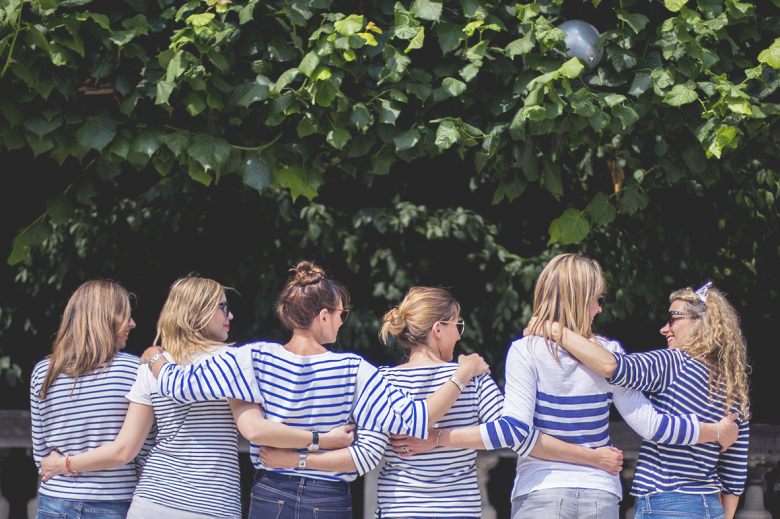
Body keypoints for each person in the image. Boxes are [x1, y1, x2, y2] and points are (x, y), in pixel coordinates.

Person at [398, 254, 738, 519]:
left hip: (540, 490)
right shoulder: (610, 352)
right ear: (580, 298)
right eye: (598, 299)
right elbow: (650, 425)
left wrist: (438, 438)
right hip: (600, 492)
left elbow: (514, 431)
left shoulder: (524, 350)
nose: (600, 308)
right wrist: (713, 431)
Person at [141, 261, 491, 519]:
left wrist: (155, 356)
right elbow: (417, 420)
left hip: (269, 491)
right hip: (330, 497)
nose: (343, 320)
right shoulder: (354, 370)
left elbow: (177, 385)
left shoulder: (251, 357)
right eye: (342, 313)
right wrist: (462, 375)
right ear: (323, 316)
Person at [258, 286, 625, 519]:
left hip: (400, 508)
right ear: (438, 329)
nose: (460, 333)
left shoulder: (381, 380)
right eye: (457, 326)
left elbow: (366, 456)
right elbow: (511, 432)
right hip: (460, 509)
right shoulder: (474, 374)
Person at [40, 275, 355, 519]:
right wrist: (321, 439)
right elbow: (256, 430)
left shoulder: (153, 363)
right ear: (199, 311)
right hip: (211, 503)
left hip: (152, 500)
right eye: (222, 307)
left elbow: (128, 447)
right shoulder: (234, 360)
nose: (229, 315)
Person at [539, 280, 750, 519]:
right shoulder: (734, 387)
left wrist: (555, 331)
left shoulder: (673, 363)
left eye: (673, 318)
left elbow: (611, 365)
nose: (664, 328)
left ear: (702, 323)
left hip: (666, 502)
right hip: (711, 506)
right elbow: (734, 475)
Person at [30, 279, 153, 519]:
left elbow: (42, 455)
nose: (133, 323)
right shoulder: (136, 371)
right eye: (126, 316)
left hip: (54, 501)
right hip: (113, 501)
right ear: (104, 317)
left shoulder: (44, 372)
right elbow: (143, 450)